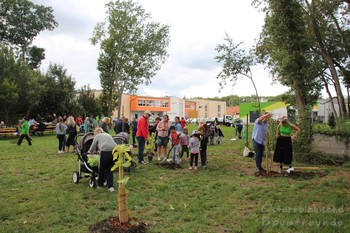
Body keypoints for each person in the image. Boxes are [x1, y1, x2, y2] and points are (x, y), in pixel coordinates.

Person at [87, 127, 116, 192]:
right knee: (109, 169)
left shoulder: (97, 136)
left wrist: (90, 152)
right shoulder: (108, 134)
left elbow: (92, 147)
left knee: (101, 169)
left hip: (105, 152)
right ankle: (111, 187)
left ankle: (100, 185)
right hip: (113, 151)